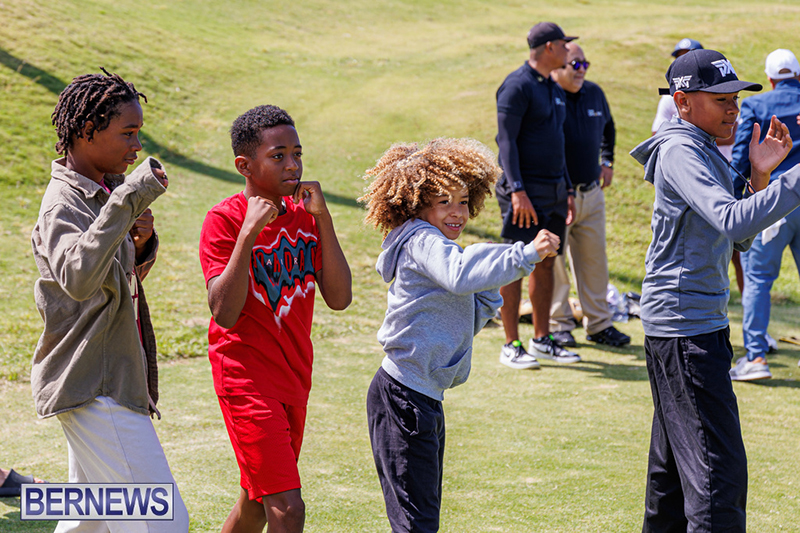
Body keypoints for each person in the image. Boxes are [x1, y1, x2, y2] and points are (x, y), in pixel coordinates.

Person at [630, 49, 800, 532]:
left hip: (686, 326)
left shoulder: (701, 146)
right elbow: (731, 220)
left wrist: (762, 175)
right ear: (683, 103)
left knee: (671, 482)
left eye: (737, 98)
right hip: (686, 331)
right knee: (716, 477)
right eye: (722, 98)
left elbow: (736, 235)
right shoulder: (683, 149)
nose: (734, 107)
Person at [360, 137, 560, 532]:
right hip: (403, 397)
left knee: (422, 518)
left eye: (464, 201)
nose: (458, 212)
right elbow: (460, 273)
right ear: (417, 205)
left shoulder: (437, 245)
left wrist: (487, 294)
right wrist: (524, 255)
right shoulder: (421, 240)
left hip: (426, 398)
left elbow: (467, 307)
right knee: (417, 524)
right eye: (444, 201)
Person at [31, 70, 189, 531]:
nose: (137, 145)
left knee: (89, 520)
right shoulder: (64, 203)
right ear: (86, 132)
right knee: (163, 522)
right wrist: (128, 201)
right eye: (128, 133)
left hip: (105, 379)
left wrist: (139, 244)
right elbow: (78, 278)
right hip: (96, 387)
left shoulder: (99, 193)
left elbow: (112, 284)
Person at [199, 105, 352, 533]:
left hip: (294, 375)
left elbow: (339, 299)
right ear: (244, 166)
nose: (293, 165)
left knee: (256, 501)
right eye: (278, 155)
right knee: (287, 506)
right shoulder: (224, 220)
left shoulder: (307, 215)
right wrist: (248, 234)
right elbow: (224, 313)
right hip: (245, 377)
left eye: (297, 154)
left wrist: (323, 218)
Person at [495, 21, 580, 368]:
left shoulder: (552, 87)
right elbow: (505, 142)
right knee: (516, 265)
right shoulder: (516, 86)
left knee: (546, 263)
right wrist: (517, 191)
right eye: (564, 44)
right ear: (548, 47)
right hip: (523, 193)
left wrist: (569, 189)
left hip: (554, 192)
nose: (568, 51)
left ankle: (542, 340)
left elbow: (558, 144)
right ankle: (511, 343)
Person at [548, 42, 631, 348]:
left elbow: (609, 128)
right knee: (554, 265)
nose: (582, 70)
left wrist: (607, 161)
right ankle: (558, 324)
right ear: (557, 66)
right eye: (576, 64)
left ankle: (598, 324)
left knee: (595, 262)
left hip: (591, 194)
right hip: (555, 195)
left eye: (585, 64)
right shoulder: (547, 96)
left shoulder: (594, 93)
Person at [729, 48, 800, 381]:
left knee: (757, 279)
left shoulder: (757, 104)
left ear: (770, 79)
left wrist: (730, 198)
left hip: (774, 204)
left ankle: (756, 357)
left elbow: (743, 155)